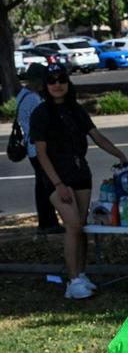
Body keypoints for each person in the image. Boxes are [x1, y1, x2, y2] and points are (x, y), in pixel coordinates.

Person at [29, 65, 128, 300]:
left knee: (81, 225)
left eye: (61, 79)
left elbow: (97, 137)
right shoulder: (41, 113)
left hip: (80, 174)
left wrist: (121, 155)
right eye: (51, 80)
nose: (57, 84)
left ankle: (81, 274)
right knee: (72, 225)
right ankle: (72, 282)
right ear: (45, 85)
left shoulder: (76, 110)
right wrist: (58, 183)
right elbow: (41, 153)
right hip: (57, 178)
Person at [14, 61, 63, 234]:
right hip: (38, 148)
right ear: (36, 81)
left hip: (31, 147)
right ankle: (48, 223)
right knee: (47, 188)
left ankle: (46, 222)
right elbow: (43, 124)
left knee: (41, 186)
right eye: (44, 80)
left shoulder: (22, 95)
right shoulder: (34, 99)